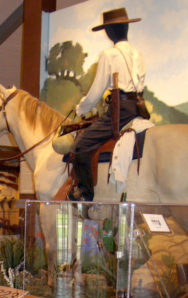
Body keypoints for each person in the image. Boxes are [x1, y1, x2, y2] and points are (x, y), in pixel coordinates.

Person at [69, 7, 145, 201]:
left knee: (79, 147)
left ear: (109, 32)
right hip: (138, 108)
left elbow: (97, 90)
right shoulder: (138, 54)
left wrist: (81, 108)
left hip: (119, 111)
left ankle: (86, 194)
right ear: (126, 28)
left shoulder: (108, 54)